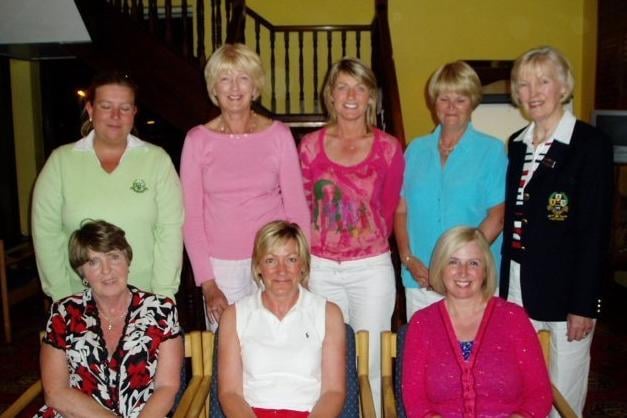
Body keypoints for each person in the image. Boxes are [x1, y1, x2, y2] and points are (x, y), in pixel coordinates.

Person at [500, 46, 613, 417]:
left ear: (563, 87)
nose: (533, 92)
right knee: (523, 383)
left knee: (563, 392)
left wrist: (585, 304)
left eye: (543, 81)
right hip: (518, 281)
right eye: (524, 83)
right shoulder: (516, 144)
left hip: (568, 291)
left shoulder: (589, 144)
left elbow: (594, 231)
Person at [299, 57, 404, 416]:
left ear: (371, 96)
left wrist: (362, 239)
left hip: (371, 270)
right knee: (325, 361)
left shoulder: (389, 148)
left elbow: (389, 208)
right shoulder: (310, 146)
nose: (350, 95)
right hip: (321, 269)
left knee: (371, 363)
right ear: (330, 94)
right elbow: (302, 206)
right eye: (342, 86)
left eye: (359, 87)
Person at [180, 43, 310, 330]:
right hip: (220, 267)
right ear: (214, 88)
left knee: (278, 341)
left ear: (255, 86)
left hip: (274, 259)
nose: (234, 87)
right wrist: (208, 283)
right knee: (228, 352)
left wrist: (299, 264)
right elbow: (191, 217)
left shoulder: (278, 135)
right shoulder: (197, 140)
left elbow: (297, 207)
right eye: (225, 78)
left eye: (243, 78)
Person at [32, 71, 184, 302]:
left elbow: (170, 231)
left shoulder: (157, 161)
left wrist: (163, 295)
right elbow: (46, 233)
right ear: (91, 110)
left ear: (134, 113)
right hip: (80, 299)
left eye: (124, 108)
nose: (115, 116)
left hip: (145, 298)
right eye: (106, 106)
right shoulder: (60, 162)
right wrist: (63, 297)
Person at [36, 220, 183, 418]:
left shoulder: (161, 311)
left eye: (113, 257)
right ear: (82, 272)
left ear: (127, 261)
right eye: (93, 262)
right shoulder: (63, 313)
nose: (107, 271)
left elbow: (167, 387)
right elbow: (55, 393)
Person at [394, 61, 507, 319]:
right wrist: (407, 258)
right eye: (444, 98)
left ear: (473, 102)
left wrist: (458, 266)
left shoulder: (491, 151)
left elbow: (497, 217)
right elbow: (401, 210)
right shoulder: (415, 150)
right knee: (424, 354)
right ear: (434, 103)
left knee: (474, 355)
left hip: (472, 280)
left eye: (461, 99)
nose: (451, 107)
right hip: (420, 278)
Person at [402, 226, 552, 418]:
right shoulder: (422, 323)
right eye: (453, 262)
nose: (463, 272)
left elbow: (539, 393)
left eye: (473, 263)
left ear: (486, 270)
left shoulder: (513, 318)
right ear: (440, 267)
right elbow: (415, 401)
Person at [218, 220, 345, 417]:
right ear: (258, 266)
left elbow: (333, 392)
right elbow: (230, 393)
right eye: (271, 260)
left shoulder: (328, 314)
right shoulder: (234, 316)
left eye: (291, 259)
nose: (281, 270)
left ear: (303, 265)